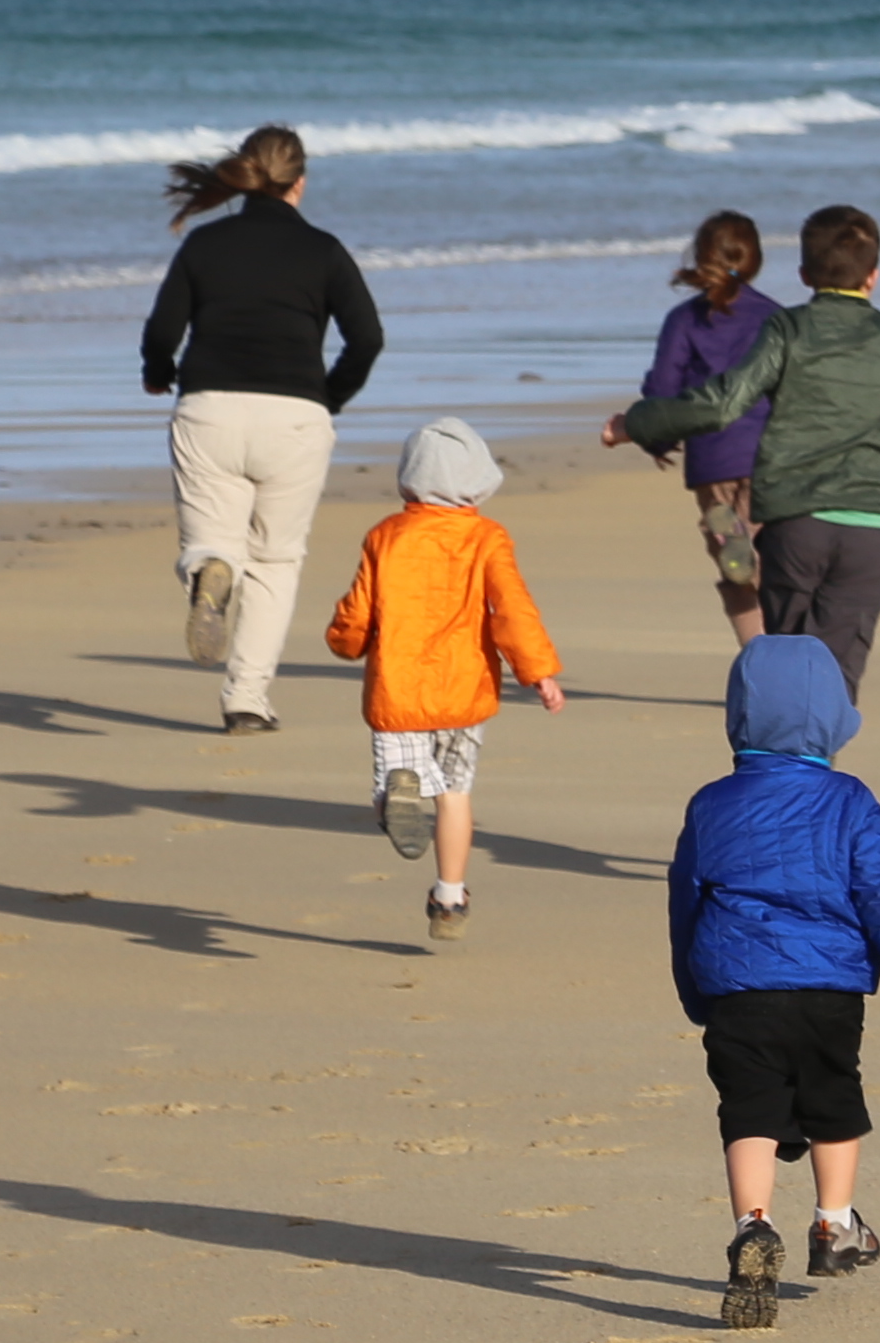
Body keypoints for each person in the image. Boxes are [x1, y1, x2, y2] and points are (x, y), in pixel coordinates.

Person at [666, 633, 880, 1321]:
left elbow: (686, 899)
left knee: (750, 1113)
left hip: (739, 988)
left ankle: (752, 1227)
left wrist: (696, 990)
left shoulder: (713, 804)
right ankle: (833, 1223)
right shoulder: (849, 800)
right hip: (828, 989)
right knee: (831, 1100)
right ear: (831, 719)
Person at [611, 202, 880, 693]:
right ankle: (815, 761)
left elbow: (719, 401)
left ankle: (773, 716)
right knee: (837, 679)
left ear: (804, 273)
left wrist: (639, 425)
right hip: (869, 523)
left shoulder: (783, 330)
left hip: (786, 511)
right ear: (873, 276)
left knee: (788, 665)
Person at [141, 125, 386, 733]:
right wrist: (329, 397)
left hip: (210, 409)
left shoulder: (204, 245)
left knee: (210, 540)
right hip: (294, 419)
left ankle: (210, 572)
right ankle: (246, 699)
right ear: (299, 184)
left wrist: (158, 372)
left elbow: (163, 328)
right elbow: (368, 338)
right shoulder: (324, 251)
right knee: (276, 561)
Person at [320, 417, 566, 948]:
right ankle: (449, 895)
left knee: (397, 778)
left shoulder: (385, 536)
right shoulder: (487, 538)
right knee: (455, 794)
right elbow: (512, 610)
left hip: (399, 689)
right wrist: (538, 671)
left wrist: (343, 640)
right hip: (464, 692)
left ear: (408, 478)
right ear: (479, 480)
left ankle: (395, 796)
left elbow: (358, 611)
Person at [610, 208, 783, 647]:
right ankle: (785, 655)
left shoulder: (684, 320)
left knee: (739, 568)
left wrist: (657, 437)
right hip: (776, 458)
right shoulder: (780, 319)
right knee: (775, 561)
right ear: (755, 261)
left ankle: (759, 657)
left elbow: (664, 390)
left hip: (715, 461)